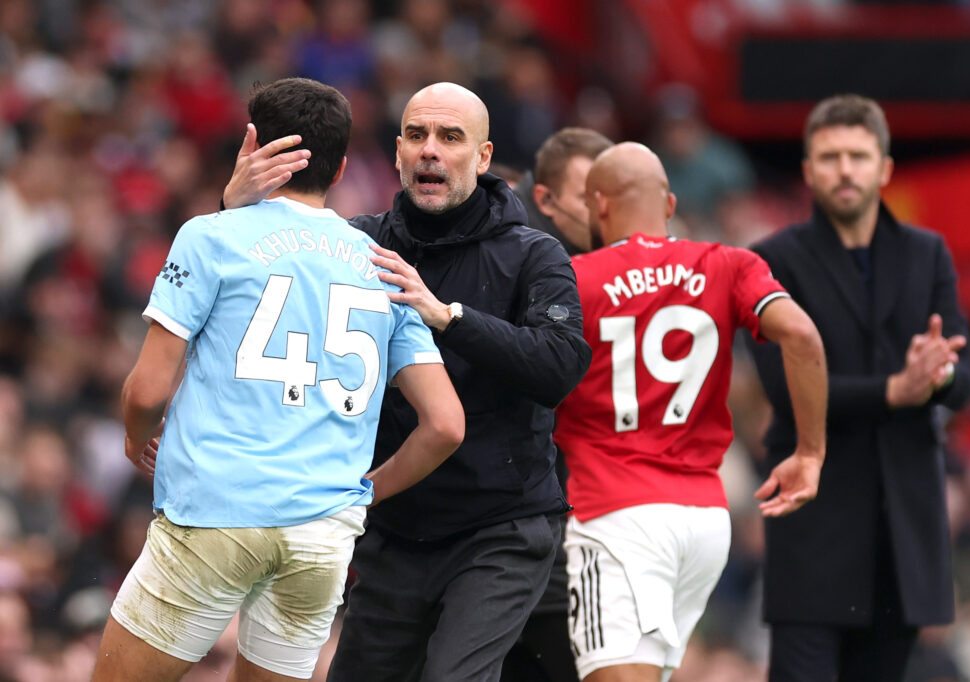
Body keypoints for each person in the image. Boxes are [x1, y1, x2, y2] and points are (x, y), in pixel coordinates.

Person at [90, 77, 464, 682]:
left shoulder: (212, 235)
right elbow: (445, 425)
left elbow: (147, 391)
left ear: (252, 144)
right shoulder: (384, 267)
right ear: (342, 167)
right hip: (321, 536)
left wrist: (136, 439)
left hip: (217, 511)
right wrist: (360, 494)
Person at [222, 82, 592, 682]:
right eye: (417, 136)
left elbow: (559, 367)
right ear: (396, 152)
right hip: (391, 527)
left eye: (450, 138)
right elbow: (254, 296)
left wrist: (447, 316)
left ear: (484, 156)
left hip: (500, 528)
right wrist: (234, 215)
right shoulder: (354, 244)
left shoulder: (536, 254)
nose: (430, 151)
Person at [554, 142, 828, 682]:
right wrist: (811, 452)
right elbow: (800, 333)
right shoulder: (729, 264)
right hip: (703, 519)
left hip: (615, 512)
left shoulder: (574, 278)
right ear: (671, 204)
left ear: (598, 205)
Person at [747, 94, 970, 682]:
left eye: (857, 155)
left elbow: (965, 378)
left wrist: (940, 373)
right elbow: (782, 388)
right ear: (806, 171)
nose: (844, 169)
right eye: (829, 157)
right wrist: (896, 391)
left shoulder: (928, 253)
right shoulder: (772, 261)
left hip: (904, 532)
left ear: (885, 168)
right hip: (814, 527)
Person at [502, 127, 613, 682]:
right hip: (515, 518)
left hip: (547, 515)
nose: (606, 214)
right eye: (590, 199)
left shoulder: (599, 261)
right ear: (544, 199)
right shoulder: (519, 260)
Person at [514, 127, 614, 256]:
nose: (605, 209)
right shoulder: (511, 259)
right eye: (589, 198)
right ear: (546, 200)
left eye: (613, 196)